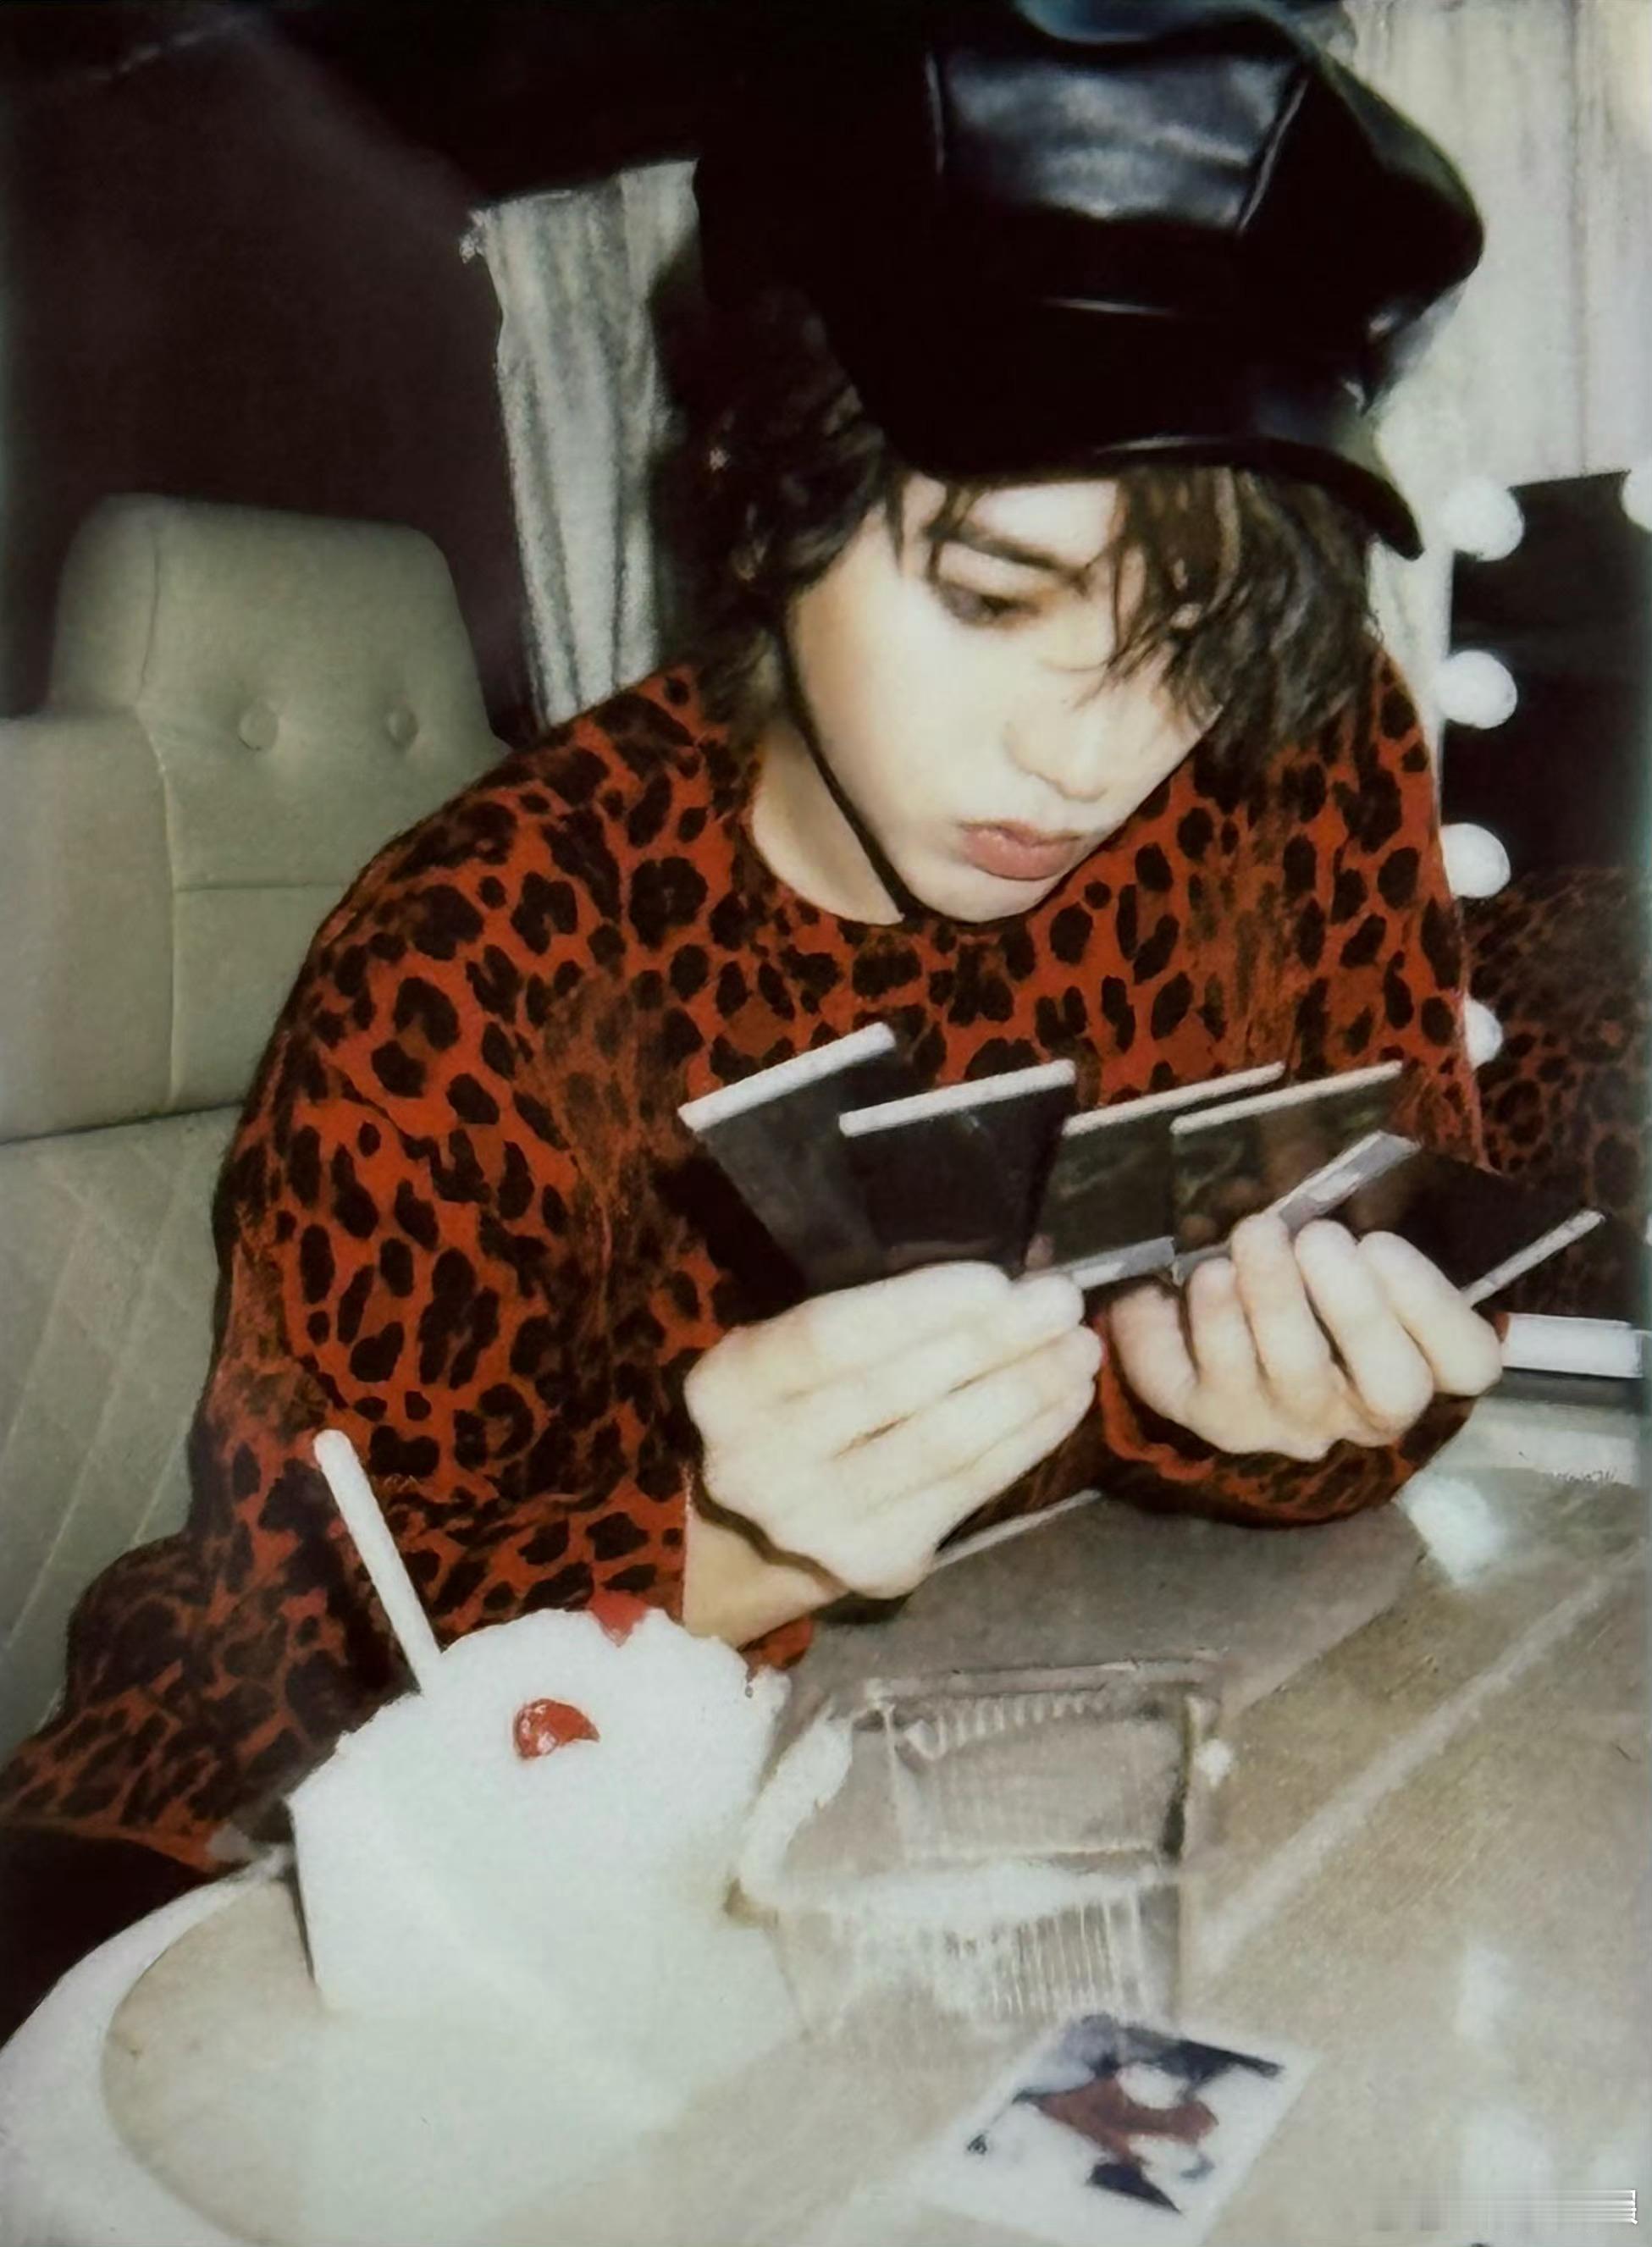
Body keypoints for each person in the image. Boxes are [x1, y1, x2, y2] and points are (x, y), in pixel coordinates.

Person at [0, 0, 1502, 2032]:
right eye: (995, 597)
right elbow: (314, 1643)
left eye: (1191, 641)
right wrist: (720, 1542)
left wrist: (1266, 1409)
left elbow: (1386, 1330)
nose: (1091, 754)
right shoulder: (476, 951)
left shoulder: (1289, 776)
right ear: (767, 499)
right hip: (270, 1858)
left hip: (978, 1760)